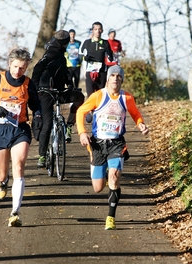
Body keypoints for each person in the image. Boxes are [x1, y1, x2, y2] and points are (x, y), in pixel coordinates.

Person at [76, 65, 149, 230]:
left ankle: (110, 217)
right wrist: (82, 133)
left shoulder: (127, 98)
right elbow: (80, 112)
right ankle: (107, 177)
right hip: (97, 144)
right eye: (113, 75)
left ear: (122, 79)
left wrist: (141, 124)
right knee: (98, 187)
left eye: (119, 76)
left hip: (117, 143)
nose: (115, 78)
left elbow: (135, 114)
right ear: (108, 78)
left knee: (114, 177)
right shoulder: (98, 96)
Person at [0, 48, 41, 227]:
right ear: (9, 64)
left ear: (26, 67)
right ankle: (2, 181)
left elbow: (36, 105)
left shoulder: (28, 84)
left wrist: (37, 116)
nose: (17, 71)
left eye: (22, 68)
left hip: (20, 130)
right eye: (15, 67)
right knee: (1, 173)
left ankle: (15, 213)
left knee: (19, 167)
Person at [32, 30, 85, 168]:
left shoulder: (60, 53)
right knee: (47, 124)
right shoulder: (52, 52)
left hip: (60, 91)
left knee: (79, 97)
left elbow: (63, 70)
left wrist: (71, 85)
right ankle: (42, 156)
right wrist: (36, 87)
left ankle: (68, 126)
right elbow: (38, 68)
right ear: (64, 43)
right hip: (45, 93)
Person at [80, 21, 114, 123]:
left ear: (102, 31)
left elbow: (111, 57)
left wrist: (110, 56)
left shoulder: (105, 43)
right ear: (92, 30)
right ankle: (90, 112)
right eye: (96, 29)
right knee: (90, 95)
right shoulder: (87, 42)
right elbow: (80, 55)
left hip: (102, 73)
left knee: (101, 94)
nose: (98, 31)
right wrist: (85, 58)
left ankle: (100, 115)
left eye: (99, 29)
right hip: (90, 72)